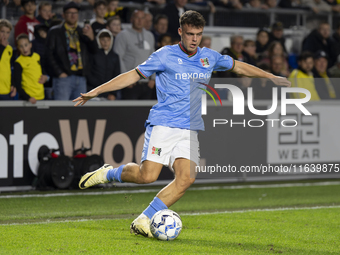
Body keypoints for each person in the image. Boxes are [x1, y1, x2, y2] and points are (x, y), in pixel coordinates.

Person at [73, 10, 290, 238]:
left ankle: (144, 219)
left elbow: (239, 66)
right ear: (180, 32)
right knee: (147, 176)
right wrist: (96, 91)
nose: (194, 39)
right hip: (164, 124)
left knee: (186, 178)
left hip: (190, 128)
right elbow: (132, 75)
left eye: (198, 34)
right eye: (189, 34)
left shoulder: (209, 57)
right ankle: (109, 173)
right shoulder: (164, 55)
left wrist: (270, 76)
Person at [46, 1, 97, 100]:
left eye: (75, 13)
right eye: (70, 13)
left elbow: (94, 51)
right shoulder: (55, 31)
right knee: (62, 111)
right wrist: (59, 73)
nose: (73, 16)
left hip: (81, 78)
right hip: (63, 79)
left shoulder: (83, 31)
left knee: (80, 113)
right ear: (63, 15)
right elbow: (48, 55)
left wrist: (91, 38)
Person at [113, 9, 155, 99]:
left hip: (147, 84)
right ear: (131, 19)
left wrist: (153, 78)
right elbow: (118, 58)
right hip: (130, 84)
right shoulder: (123, 35)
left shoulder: (149, 36)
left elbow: (153, 57)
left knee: (145, 112)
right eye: (137, 18)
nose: (140, 21)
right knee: (128, 112)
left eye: (142, 18)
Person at [87, 29, 120, 100]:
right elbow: (88, 73)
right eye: (103, 40)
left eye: (108, 40)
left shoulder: (115, 56)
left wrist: (113, 93)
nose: (105, 42)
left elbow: (117, 75)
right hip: (94, 92)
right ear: (98, 40)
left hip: (109, 94)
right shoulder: (93, 55)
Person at [14, 34, 47, 103]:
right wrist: (27, 98)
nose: (24, 49)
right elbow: (17, 84)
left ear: (30, 45)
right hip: (28, 99)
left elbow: (43, 72)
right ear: (18, 48)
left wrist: (45, 77)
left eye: (26, 45)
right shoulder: (18, 62)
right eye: (21, 46)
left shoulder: (37, 56)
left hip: (41, 96)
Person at [0, 19, 16, 100]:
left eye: (7, 32)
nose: (4, 35)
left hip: (6, 90)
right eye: (2, 31)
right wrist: (2, 47)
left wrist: (13, 85)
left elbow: (10, 68)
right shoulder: (4, 47)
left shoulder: (9, 49)